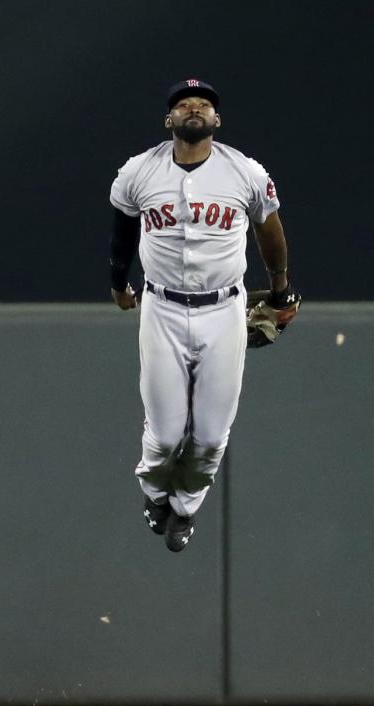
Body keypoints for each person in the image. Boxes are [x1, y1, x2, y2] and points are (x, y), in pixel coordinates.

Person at [108, 78, 294, 553]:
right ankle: (155, 496)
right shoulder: (138, 172)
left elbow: (270, 231)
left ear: (217, 120)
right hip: (161, 308)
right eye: (184, 103)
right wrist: (117, 281)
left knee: (210, 434)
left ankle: (186, 507)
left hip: (224, 310)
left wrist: (281, 291)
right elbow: (123, 231)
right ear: (169, 120)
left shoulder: (245, 172)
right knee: (166, 433)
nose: (195, 107)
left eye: (205, 103)